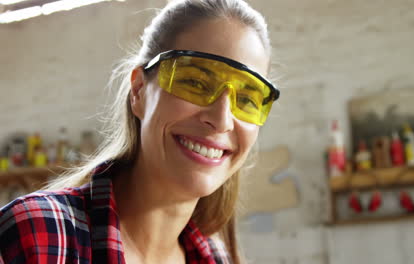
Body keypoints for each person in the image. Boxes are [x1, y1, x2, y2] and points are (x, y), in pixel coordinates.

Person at [0, 0, 280, 263]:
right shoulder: (37, 237)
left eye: (246, 99)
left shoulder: (216, 258)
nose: (222, 120)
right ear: (139, 91)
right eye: (195, 82)